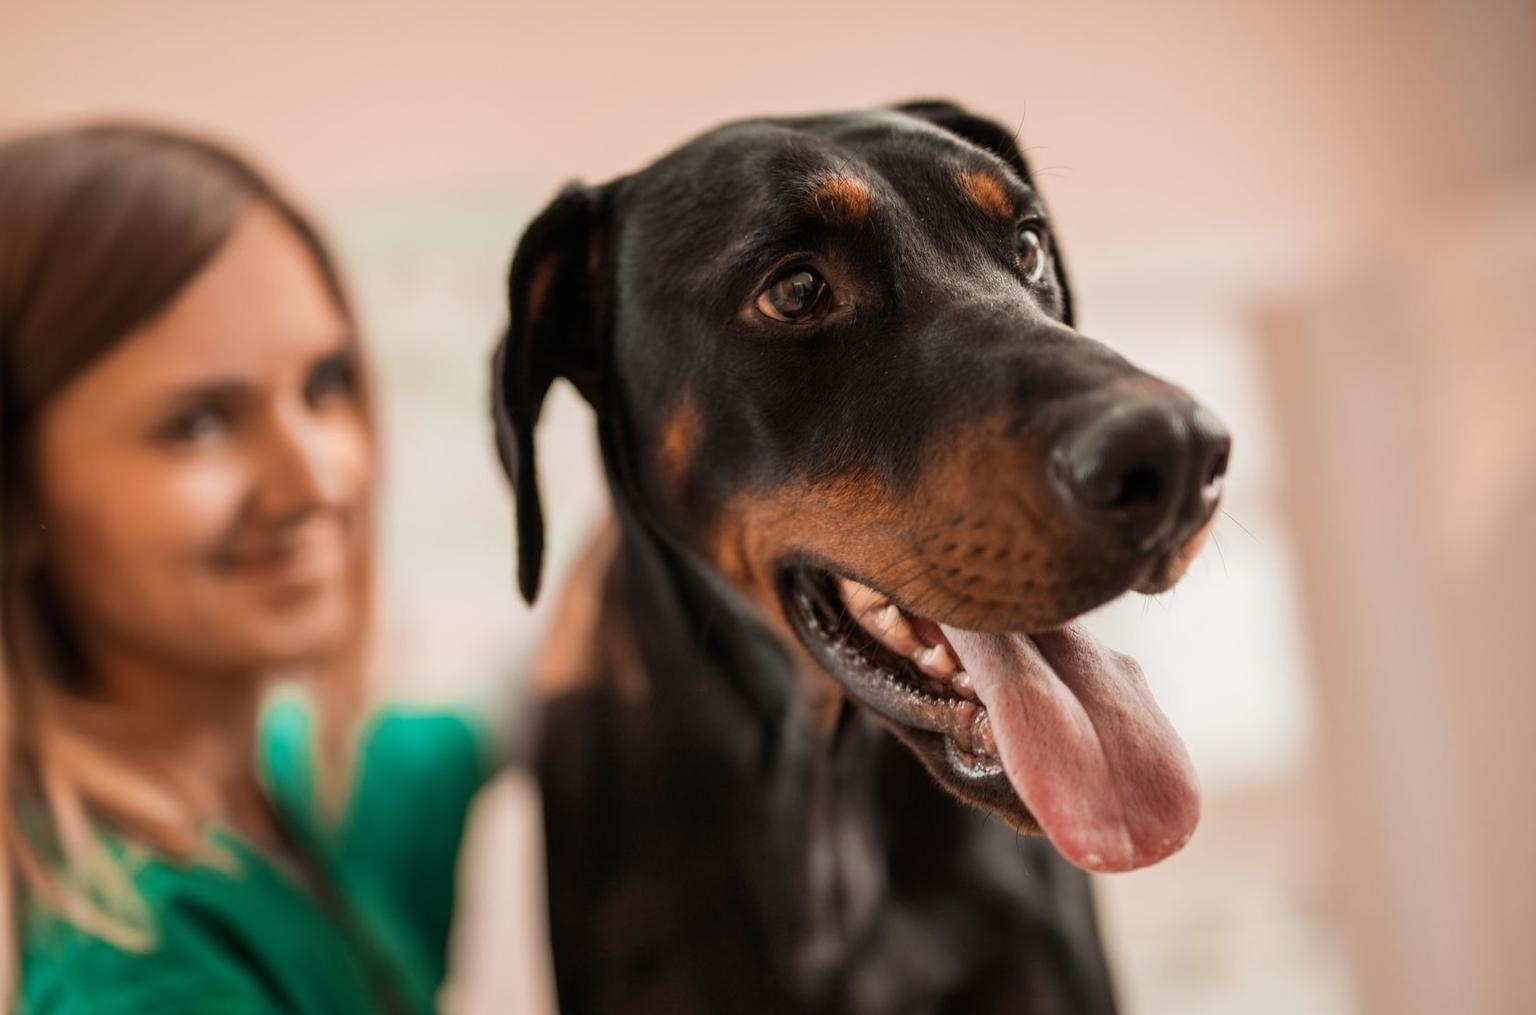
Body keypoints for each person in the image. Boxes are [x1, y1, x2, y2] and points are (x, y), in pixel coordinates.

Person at [0, 124, 498, 1013]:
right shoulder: (137, 979)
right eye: (198, 422)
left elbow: (463, 728)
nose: (317, 479)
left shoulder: (278, 780)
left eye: (326, 381)